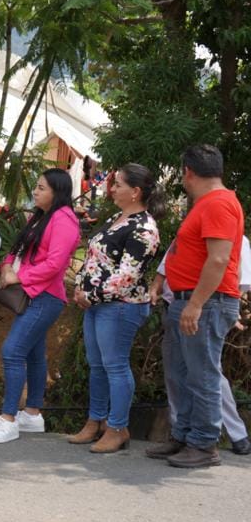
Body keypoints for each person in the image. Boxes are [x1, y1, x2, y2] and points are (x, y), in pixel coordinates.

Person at [145, 145, 244, 468]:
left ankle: (203, 443)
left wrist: (196, 304)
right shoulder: (209, 203)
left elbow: (218, 260)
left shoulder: (218, 205)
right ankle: (185, 435)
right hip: (190, 300)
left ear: (188, 171)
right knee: (182, 372)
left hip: (205, 303)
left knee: (201, 375)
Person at [69, 165, 162, 452]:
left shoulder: (143, 229)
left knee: (115, 365)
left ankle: (117, 426)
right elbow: (97, 259)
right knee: (97, 365)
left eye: (117, 184)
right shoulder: (117, 218)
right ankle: (95, 421)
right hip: (98, 304)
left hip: (121, 306)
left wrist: (91, 295)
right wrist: (80, 286)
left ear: (135, 192)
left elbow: (127, 276)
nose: (111, 189)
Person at [0, 168, 79, 443]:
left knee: (12, 351)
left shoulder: (64, 220)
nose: (35, 192)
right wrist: (5, 268)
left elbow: (55, 264)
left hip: (45, 296)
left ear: (57, 192)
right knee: (34, 355)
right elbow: (18, 250)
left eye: (41, 188)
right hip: (32, 294)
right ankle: (33, 414)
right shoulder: (41, 217)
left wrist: (19, 276)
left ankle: (8, 419)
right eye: (36, 187)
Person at [149, 235, 251, 456]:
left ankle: (235, 434)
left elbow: (238, 278)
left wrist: (230, 310)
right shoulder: (188, 230)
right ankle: (180, 435)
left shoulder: (233, 235)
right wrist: (156, 284)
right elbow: (169, 261)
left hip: (204, 307)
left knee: (206, 374)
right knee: (175, 374)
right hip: (173, 304)